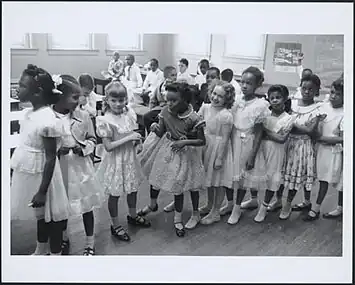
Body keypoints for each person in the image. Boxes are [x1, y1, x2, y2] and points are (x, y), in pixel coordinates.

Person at [11, 64, 70, 255]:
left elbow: (51, 157)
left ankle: (55, 255)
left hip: (46, 178)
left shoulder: (47, 120)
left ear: (36, 92)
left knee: (52, 218)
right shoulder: (29, 113)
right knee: (41, 216)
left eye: (21, 85)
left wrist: (42, 192)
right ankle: (40, 249)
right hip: (32, 172)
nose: (17, 89)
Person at [137, 82, 206, 236]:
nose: (169, 103)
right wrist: (156, 127)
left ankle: (178, 218)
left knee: (178, 186)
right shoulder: (165, 111)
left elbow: (202, 141)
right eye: (167, 99)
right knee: (156, 178)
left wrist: (184, 141)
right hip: (166, 150)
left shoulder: (194, 117)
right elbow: (161, 131)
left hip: (185, 154)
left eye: (173, 100)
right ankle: (152, 204)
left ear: (185, 101)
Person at [52, 74, 104, 255]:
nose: (79, 100)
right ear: (59, 97)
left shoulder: (84, 116)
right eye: (74, 97)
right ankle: (64, 237)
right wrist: (57, 151)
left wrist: (84, 148)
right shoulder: (49, 118)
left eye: (80, 96)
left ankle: (90, 242)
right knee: (63, 205)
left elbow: (92, 138)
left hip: (81, 168)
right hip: (59, 169)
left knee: (86, 205)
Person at [95, 81, 151, 242]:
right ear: (107, 100)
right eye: (114, 101)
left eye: (121, 100)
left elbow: (134, 132)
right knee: (115, 193)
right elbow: (108, 147)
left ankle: (132, 215)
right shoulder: (105, 120)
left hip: (130, 158)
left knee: (132, 189)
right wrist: (129, 138)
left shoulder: (129, 113)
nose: (118, 104)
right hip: (115, 161)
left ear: (126, 99)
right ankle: (115, 225)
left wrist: (138, 142)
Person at [222, 66, 270, 225]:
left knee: (243, 178)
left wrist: (252, 155)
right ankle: (230, 203)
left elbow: (258, 134)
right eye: (242, 82)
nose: (244, 86)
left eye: (249, 83)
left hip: (247, 143)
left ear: (257, 85)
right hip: (233, 141)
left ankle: (237, 208)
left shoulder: (260, 105)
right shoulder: (236, 101)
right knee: (230, 174)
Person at [278, 74, 326, 220]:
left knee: (298, 175)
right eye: (304, 88)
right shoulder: (292, 105)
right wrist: (295, 126)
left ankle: (288, 204)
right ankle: (279, 200)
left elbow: (311, 131)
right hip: (288, 144)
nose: (306, 92)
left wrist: (292, 124)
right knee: (282, 175)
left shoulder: (318, 109)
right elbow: (282, 123)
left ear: (316, 91)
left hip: (303, 146)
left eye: (310, 89)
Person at [251, 85, 295, 222]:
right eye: (272, 98)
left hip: (277, 152)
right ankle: (254, 200)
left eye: (278, 97)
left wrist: (264, 131)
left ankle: (264, 208)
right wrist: (266, 133)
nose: (275, 100)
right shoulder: (264, 115)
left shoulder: (289, 118)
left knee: (273, 178)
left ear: (285, 99)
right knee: (258, 175)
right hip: (262, 149)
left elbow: (281, 139)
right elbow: (256, 133)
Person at [303, 78, 343, 221]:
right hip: (317, 148)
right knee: (309, 174)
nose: (333, 96)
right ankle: (306, 201)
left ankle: (316, 208)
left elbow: (342, 139)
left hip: (330, 151)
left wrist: (321, 139)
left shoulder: (344, 113)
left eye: (338, 94)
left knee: (324, 180)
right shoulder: (323, 107)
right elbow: (312, 125)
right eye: (332, 92)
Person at [197, 80, 235, 225]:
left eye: (220, 96)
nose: (215, 98)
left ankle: (216, 211)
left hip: (219, 149)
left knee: (218, 182)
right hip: (206, 146)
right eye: (214, 93)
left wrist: (219, 158)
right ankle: (209, 204)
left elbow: (225, 139)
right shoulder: (206, 107)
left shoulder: (226, 115)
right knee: (210, 180)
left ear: (227, 99)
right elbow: (198, 122)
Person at [143, 66, 177, 133]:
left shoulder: (177, 86)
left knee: (159, 119)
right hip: (159, 109)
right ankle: (151, 135)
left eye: (176, 75)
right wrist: (151, 109)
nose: (175, 77)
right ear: (165, 76)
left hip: (172, 110)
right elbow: (153, 100)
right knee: (146, 116)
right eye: (172, 75)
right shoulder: (159, 86)